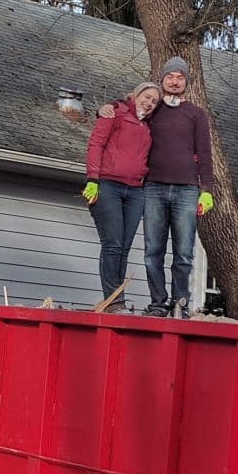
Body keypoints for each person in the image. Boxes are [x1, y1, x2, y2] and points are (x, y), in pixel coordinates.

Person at [100, 56, 214, 318]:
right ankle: (158, 303)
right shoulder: (153, 110)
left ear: (186, 82)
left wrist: (206, 189)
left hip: (186, 190)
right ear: (162, 80)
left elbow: (205, 155)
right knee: (153, 251)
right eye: (170, 77)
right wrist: (106, 106)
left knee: (184, 252)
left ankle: (180, 304)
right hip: (153, 188)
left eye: (180, 77)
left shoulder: (196, 115)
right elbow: (130, 107)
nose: (175, 82)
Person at [82, 81, 161, 312]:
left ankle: (117, 299)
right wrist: (92, 179)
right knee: (113, 245)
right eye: (146, 97)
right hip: (108, 185)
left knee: (124, 247)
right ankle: (114, 302)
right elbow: (95, 144)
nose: (149, 103)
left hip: (135, 190)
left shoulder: (149, 126)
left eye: (154, 101)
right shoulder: (114, 112)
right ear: (135, 95)